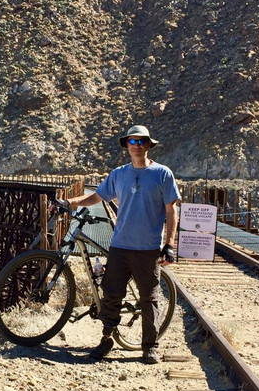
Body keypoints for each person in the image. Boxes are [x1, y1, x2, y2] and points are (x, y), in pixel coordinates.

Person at [57, 124, 180, 364]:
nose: (137, 146)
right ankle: (107, 339)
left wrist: (170, 244)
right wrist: (70, 202)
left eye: (141, 141)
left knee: (149, 298)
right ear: (126, 146)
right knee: (111, 295)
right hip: (120, 246)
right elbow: (97, 196)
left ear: (148, 145)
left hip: (147, 248)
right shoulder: (118, 174)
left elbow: (171, 209)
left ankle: (150, 346)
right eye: (132, 142)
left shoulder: (163, 174)